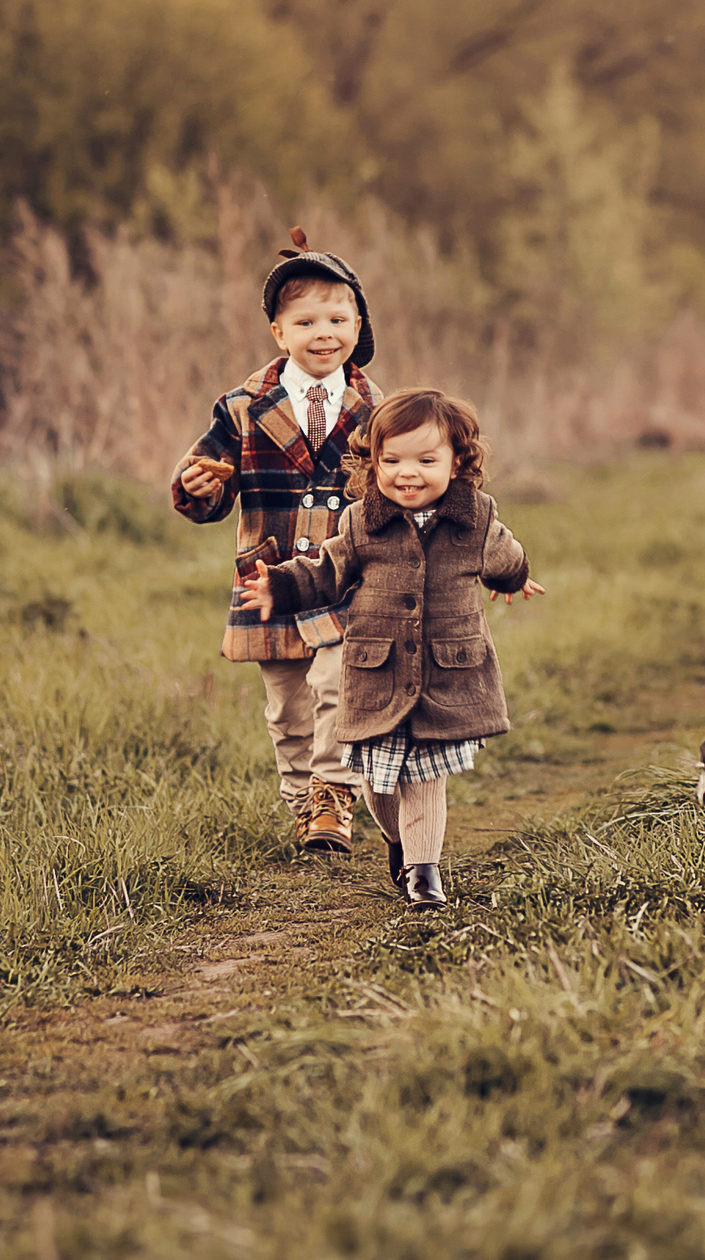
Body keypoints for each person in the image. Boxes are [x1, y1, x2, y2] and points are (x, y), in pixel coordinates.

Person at [242, 388, 542, 911]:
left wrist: (515, 576)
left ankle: (426, 876)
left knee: (424, 778)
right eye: (393, 460)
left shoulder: (476, 518)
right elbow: (325, 572)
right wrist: (281, 586)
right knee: (379, 783)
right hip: (376, 675)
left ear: (458, 461)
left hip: (445, 678)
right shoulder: (360, 522)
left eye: (427, 460)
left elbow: (506, 555)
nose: (409, 473)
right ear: (373, 463)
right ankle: (400, 841)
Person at [169, 228, 378, 856]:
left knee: (339, 683)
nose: (325, 332)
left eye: (338, 318)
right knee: (287, 704)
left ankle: (334, 795)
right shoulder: (240, 407)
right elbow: (204, 486)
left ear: (358, 324)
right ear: (278, 333)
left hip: (345, 576)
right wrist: (197, 485)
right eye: (306, 320)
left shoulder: (377, 408)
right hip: (270, 576)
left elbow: (399, 486)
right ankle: (302, 800)